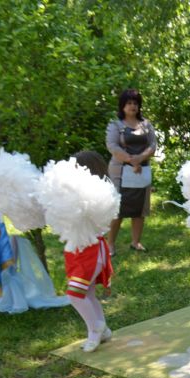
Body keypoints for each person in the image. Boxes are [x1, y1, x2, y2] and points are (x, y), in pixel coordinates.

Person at [67, 151, 115, 353]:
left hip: (89, 250)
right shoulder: (76, 193)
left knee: (75, 294)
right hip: (79, 248)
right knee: (87, 292)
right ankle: (102, 331)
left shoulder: (98, 193)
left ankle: (95, 329)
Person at [106, 88, 157, 255]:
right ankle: (110, 244)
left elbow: (152, 145)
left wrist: (139, 159)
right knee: (118, 209)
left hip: (141, 170)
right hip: (120, 172)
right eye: (129, 103)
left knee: (139, 208)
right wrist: (130, 160)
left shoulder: (146, 125)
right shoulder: (115, 125)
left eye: (135, 103)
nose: (132, 106)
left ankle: (136, 242)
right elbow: (112, 146)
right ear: (122, 106)